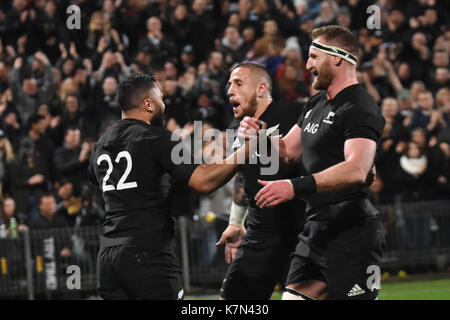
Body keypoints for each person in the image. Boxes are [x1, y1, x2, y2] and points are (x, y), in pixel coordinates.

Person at [238, 26, 385, 300]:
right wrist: (258, 136)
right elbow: (287, 152)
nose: (308, 65)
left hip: (352, 231)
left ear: (338, 58)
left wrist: (294, 187)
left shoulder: (360, 106)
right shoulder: (315, 103)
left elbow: (357, 169)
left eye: (314, 56)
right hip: (316, 228)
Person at [88, 74, 251, 300]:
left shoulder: (101, 143)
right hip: (147, 253)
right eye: (160, 97)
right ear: (148, 103)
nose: (163, 104)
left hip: (108, 257)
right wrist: (246, 150)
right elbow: (204, 182)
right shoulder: (156, 137)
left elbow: (95, 178)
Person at [216, 62, 306, 300]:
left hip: (301, 230)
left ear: (261, 88)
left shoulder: (295, 114)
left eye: (237, 83)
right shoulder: (236, 127)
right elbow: (242, 177)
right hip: (260, 231)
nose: (229, 91)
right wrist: (236, 223)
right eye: (228, 85)